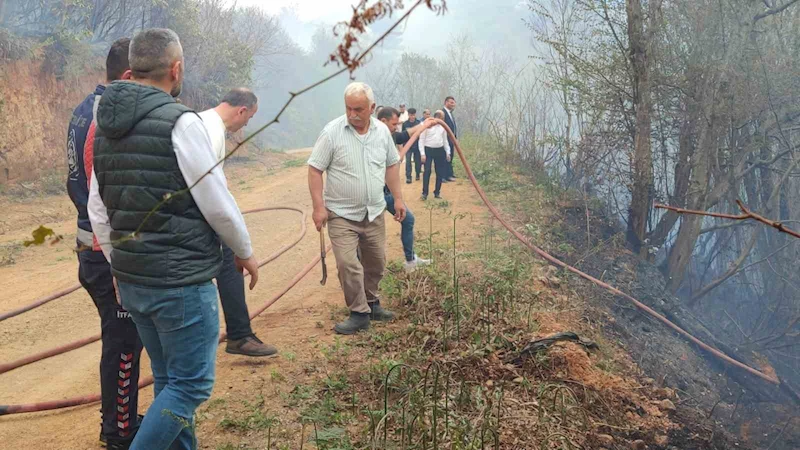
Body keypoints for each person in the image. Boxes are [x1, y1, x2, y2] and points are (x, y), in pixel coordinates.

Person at [88, 28, 259, 450]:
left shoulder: (103, 123)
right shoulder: (181, 123)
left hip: (132, 281)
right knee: (191, 386)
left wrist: (118, 263)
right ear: (176, 69)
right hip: (179, 284)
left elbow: (97, 207)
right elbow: (216, 200)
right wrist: (245, 250)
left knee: (167, 381)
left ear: (133, 68)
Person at [67, 37, 143, 450]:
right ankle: (119, 432)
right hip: (104, 249)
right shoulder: (109, 117)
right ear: (129, 76)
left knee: (121, 338)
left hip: (89, 243)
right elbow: (105, 198)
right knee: (124, 341)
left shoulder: (84, 108)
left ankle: (123, 419)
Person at [307, 82, 405, 335]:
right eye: (349, 108)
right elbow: (315, 169)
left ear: (372, 107)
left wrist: (399, 200)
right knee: (348, 264)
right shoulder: (332, 132)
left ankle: (372, 302)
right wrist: (319, 207)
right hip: (341, 214)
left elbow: (391, 166)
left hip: (373, 212)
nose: (353, 114)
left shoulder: (383, 132)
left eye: (359, 109)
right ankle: (359, 312)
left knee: (377, 263)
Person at [198, 88, 277, 358]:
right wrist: (244, 248)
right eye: (249, 118)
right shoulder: (211, 130)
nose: (246, 124)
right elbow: (215, 194)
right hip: (195, 217)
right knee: (230, 258)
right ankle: (239, 335)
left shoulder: (202, 122)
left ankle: (239, 333)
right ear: (241, 111)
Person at [376, 107, 432, 272]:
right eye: (393, 124)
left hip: (386, 193)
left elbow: (403, 135)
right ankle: (364, 271)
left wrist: (423, 125)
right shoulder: (372, 138)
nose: (395, 127)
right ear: (382, 121)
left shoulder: (388, 135)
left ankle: (410, 260)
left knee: (408, 219)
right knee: (368, 234)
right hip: (373, 195)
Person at [419, 110, 451, 200]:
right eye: (442, 117)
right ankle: (424, 193)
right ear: (438, 117)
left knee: (439, 172)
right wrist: (422, 154)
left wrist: (447, 152)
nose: (443, 119)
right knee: (427, 171)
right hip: (428, 150)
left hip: (439, 150)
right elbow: (421, 140)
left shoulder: (443, 127)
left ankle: (437, 192)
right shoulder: (426, 125)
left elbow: (445, 140)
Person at [402, 108, 422, 184]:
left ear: (415, 115)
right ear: (408, 115)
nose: (412, 116)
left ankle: (417, 173)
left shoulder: (418, 123)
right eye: (411, 115)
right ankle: (408, 177)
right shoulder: (405, 124)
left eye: (413, 115)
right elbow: (403, 134)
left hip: (417, 145)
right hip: (408, 145)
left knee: (417, 161)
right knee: (408, 161)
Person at [442, 96, 458, 182]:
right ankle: (443, 176)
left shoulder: (450, 113)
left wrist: (455, 138)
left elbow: (453, 127)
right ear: (446, 102)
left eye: (453, 102)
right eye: (451, 102)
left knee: (450, 156)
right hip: (445, 140)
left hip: (452, 140)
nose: (453, 104)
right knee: (445, 157)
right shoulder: (442, 113)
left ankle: (449, 174)